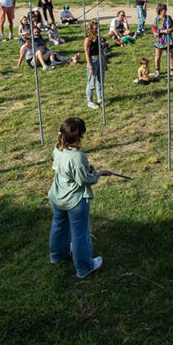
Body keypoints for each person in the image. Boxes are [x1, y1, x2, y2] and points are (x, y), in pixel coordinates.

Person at [48, 117, 112, 279]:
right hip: (75, 201)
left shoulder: (57, 149)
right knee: (80, 234)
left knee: (59, 226)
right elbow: (84, 180)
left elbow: (65, 168)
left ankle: (57, 255)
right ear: (78, 137)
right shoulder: (78, 156)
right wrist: (98, 174)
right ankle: (84, 267)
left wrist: (85, 168)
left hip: (57, 196)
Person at [83, 21, 105, 109]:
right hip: (92, 61)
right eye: (95, 28)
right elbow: (86, 54)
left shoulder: (98, 37)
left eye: (97, 28)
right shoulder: (87, 39)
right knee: (91, 83)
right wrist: (90, 66)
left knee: (100, 80)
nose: (97, 30)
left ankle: (100, 97)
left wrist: (105, 62)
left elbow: (101, 50)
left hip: (100, 59)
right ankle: (90, 101)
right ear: (91, 29)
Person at [153, 3, 173, 76]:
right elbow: (154, 31)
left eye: (166, 9)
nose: (166, 10)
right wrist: (163, 31)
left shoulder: (169, 18)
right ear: (160, 10)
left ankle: (172, 70)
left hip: (169, 40)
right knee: (158, 55)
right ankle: (157, 70)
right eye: (164, 9)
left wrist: (171, 29)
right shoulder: (156, 20)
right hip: (160, 40)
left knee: (170, 55)